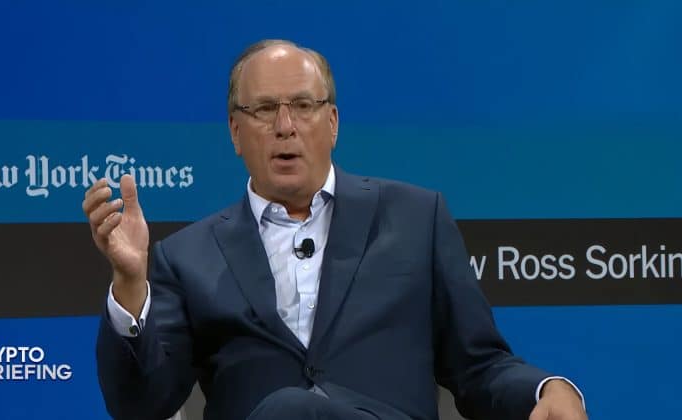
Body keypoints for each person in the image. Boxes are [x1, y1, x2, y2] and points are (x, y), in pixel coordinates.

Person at [85, 39, 587, 420]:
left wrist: (547, 390)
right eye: (264, 109)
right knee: (289, 409)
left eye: (303, 106)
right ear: (236, 133)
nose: (285, 126)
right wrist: (130, 284)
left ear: (333, 123)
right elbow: (139, 406)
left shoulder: (416, 219)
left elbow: (479, 366)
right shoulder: (187, 256)